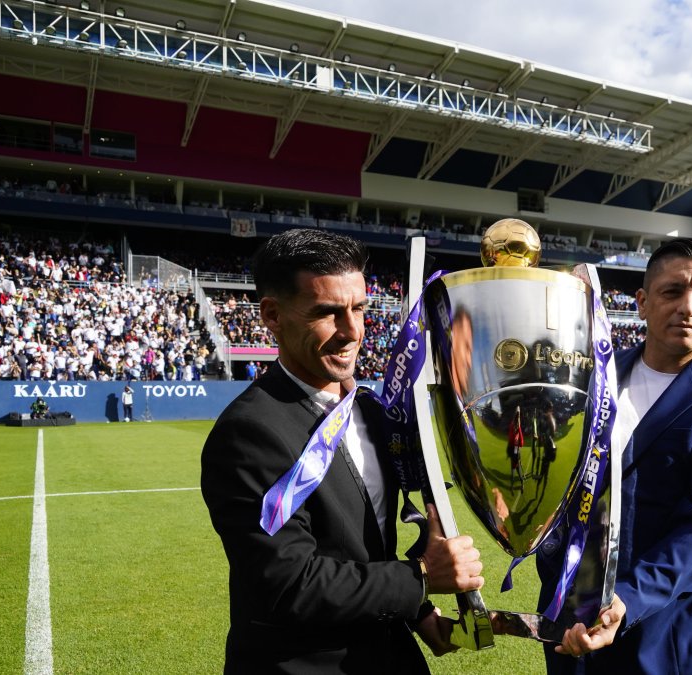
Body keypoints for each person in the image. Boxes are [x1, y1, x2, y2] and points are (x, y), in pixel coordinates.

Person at [200, 229, 484, 674]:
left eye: (359, 309)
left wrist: (419, 612)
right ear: (272, 315)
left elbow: (361, 552)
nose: (352, 331)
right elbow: (286, 584)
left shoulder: (369, 409)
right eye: (327, 312)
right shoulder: (249, 432)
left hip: (390, 656)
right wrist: (422, 576)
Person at [543, 238, 692, 674]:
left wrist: (625, 600)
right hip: (569, 628)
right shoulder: (590, 380)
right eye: (673, 291)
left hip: (666, 641)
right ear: (642, 303)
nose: (689, 307)